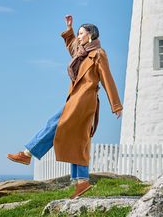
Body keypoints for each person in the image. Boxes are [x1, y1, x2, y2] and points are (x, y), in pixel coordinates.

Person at [7, 15, 123, 199]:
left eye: (81, 34)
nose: (78, 37)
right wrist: (69, 28)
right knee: (78, 139)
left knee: (55, 123)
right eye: (77, 34)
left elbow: (107, 79)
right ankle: (82, 182)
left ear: (91, 35)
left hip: (84, 100)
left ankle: (28, 153)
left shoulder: (98, 54)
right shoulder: (81, 53)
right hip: (75, 99)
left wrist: (116, 105)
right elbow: (72, 47)